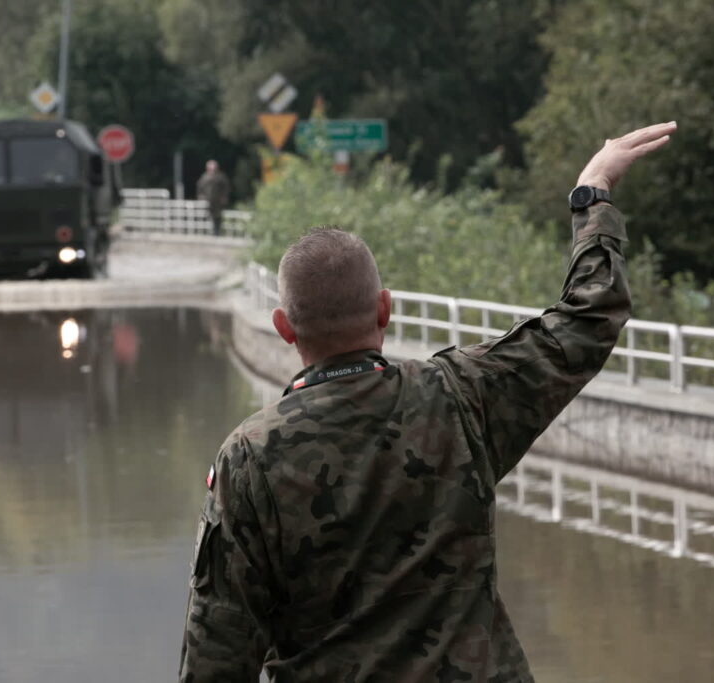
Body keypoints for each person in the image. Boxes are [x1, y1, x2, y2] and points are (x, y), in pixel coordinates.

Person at [179, 122, 677, 681]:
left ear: (283, 328)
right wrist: (593, 195)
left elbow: (216, 656)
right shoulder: (460, 394)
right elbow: (587, 321)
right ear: (384, 310)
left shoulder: (249, 460)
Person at [196, 160, 231, 236]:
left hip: (218, 201)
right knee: (206, 216)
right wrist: (200, 196)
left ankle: (217, 232)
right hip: (207, 201)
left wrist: (224, 197)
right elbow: (199, 188)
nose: (212, 170)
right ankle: (206, 232)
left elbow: (226, 188)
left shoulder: (221, 177)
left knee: (217, 216)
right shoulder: (204, 177)